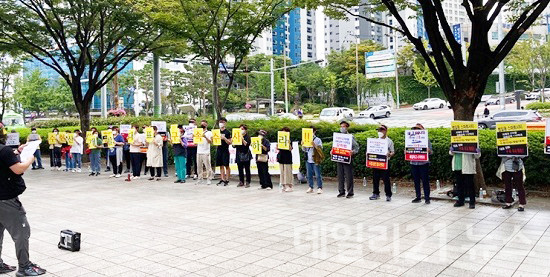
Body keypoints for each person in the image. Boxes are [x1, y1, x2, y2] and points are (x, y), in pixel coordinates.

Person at [0, 133, 47, 276]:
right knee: (22, 232)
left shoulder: (6, 151)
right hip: (6, 200)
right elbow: (18, 169)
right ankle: (24, 267)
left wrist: (17, 152)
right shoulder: (4, 150)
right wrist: (29, 159)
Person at [369, 125, 395, 201]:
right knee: (375, 179)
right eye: (379, 130)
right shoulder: (375, 141)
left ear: (386, 131)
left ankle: (388, 195)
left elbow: (392, 151)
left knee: (386, 179)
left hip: (385, 162)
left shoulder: (389, 141)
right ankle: (376, 193)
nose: (380, 132)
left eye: (382, 130)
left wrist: (390, 154)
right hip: (376, 162)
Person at [409, 124, 433, 204]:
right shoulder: (410, 139)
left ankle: (427, 198)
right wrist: (407, 152)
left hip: (423, 163)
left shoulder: (426, 139)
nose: (416, 130)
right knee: (416, 181)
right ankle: (418, 197)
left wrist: (428, 150)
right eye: (415, 129)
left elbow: (431, 151)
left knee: (425, 181)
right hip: (413, 163)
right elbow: (408, 149)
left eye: (418, 129)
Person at [336, 121, 359, 198]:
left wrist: (353, 152)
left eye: (344, 126)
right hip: (339, 158)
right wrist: (332, 151)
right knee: (340, 175)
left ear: (347, 127)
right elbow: (335, 147)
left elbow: (356, 147)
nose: (342, 128)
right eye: (341, 126)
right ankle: (341, 191)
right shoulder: (337, 137)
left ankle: (350, 192)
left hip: (347, 158)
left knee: (349, 176)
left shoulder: (350, 137)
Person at [302, 126, 323, 194]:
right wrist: (303, 145)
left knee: (317, 174)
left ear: (314, 131)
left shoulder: (317, 139)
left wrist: (315, 145)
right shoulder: (306, 139)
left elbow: (320, 149)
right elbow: (304, 150)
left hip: (315, 159)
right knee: (309, 174)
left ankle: (319, 187)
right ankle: (311, 187)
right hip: (308, 159)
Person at [216, 118, 232, 186]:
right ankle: (222, 178)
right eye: (220, 122)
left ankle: (227, 179)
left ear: (225, 123)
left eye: (222, 122)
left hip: (225, 150)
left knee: (226, 165)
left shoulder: (227, 132)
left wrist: (224, 138)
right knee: (221, 165)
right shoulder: (217, 132)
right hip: (219, 149)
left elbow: (230, 142)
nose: (221, 123)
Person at [196, 120, 213, 185]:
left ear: (206, 125)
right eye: (201, 124)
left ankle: (209, 178)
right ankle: (200, 178)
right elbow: (195, 142)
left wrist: (205, 137)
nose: (202, 125)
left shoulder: (209, 133)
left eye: (204, 124)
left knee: (207, 166)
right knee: (199, 166)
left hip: (206, 151)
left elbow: (210, 142)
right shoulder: (198, 132)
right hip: (199, 151)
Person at [277, 127, 294, 192]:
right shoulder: (280, 139)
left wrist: (289, 143)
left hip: (287, 157)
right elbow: (278, 148)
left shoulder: (289, 139)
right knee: (282, 171)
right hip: (281, 156)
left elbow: (290, 149)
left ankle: (288, 185)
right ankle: (283, 184)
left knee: (287, 171)